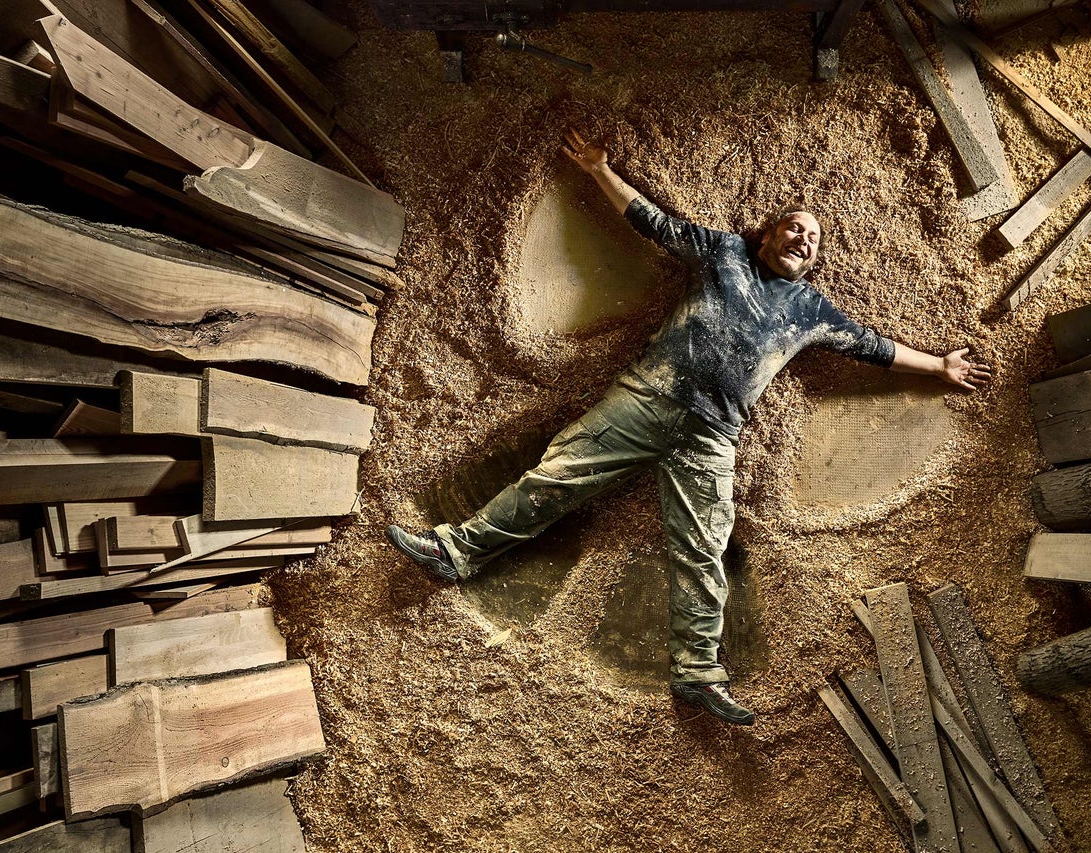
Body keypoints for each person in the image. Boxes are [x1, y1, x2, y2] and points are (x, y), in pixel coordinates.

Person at [388, 129, 990, 726]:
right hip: (646, 398)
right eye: (794, 228)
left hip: (713, 437)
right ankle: (455, 550)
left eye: (813, 241)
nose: (802, 241)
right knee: (556, 479)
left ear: (815, 262)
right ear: (768, 233)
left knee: (704, 549)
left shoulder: (811, 312)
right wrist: (600, 170)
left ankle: (698, 673)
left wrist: (937, 364)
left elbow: (871, 346)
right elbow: (653, 221)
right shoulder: (723, 253)